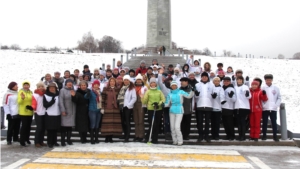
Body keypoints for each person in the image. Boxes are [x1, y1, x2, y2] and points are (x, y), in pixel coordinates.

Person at [165, 81, 194, 146]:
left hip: (179, 110)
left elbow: (189, 96)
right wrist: (160, 104)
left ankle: (180, 141)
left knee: (177, 127)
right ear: (171, 86)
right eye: (172, 85)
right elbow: (167, 103)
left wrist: (192, 91)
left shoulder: (180, 92)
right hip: (172, 110)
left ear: (177, 86)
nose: (174, 86)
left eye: (175, 85)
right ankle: (174, 140)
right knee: (172, 127)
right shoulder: (170, 94)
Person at [142, 77, 165, 144]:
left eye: (154, 82)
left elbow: (163, 99)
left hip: (158, 109)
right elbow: (145, 101)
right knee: (152, 124)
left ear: (156, 84)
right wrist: (142, 98)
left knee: (157, 124)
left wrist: (158, 103)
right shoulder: (148, 91)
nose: (153, 84)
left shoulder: (159, 91)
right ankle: (147, 137)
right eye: (151, 83)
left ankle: (155, 139)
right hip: (151, 109)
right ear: (150, 84)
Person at [101, 77, 122, 143]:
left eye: (113, 81)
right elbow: (103, 99)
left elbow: (119, 99)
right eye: (111, 81)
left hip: (115, 109)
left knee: (113, 124)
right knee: (107, 124)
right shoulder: (105, 89)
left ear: (115, 82)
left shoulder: (117, 90)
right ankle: (106, 137)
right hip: (107, 108)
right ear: (109, 82)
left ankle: (111, 138)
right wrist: (102, 108)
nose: (112, 83)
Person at [195, 72, 214, 143]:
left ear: (208, 77)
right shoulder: (197, 85)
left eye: (206, 76)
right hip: (200, 105)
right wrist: (196, 95)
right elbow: (196, 96)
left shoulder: (211, 85)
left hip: (208, 105)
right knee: (199, 122)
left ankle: (206, 136)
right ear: (201, 77)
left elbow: (213, 93)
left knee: (207, 122)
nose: (204, 78)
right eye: (203, 76)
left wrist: (214, 96)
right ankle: (200, 135)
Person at [262, 74, 281, 142]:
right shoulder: (263, 88)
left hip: (273, 108)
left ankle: (275, 136)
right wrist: (263, 105)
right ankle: (264, 135)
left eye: (270, 80)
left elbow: (279, 97)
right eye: (267, 80)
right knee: (265, 122)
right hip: (265, 108)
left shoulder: (276, 88)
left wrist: (276, 105)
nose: (268, 81)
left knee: (274, 122)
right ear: (265, 81)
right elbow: (261, 98)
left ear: (272, 80)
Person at [117, 75, 137, 142]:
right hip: (122, 106)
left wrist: (129, 105)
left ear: (129, 81)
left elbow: (134, 98)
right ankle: (125, 134)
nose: (126, 81)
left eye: (127, 80)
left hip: (128, 107)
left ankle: (127, 136)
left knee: (127, 122)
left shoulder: (132, 88)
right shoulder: (122, 88)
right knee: (123, 122)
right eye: (125, 80)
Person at [59, 79, 76, 146]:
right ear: (66, 83)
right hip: (65, 110)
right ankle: (62, 140)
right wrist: (63, 110)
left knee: (70, 127)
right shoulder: (62, 90)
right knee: (64, 127)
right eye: (68, 83)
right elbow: (61, 101)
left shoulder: (74, 90)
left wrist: (74, 96)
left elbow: (75, 100)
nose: (70, 84)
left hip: (72, 111)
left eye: (71, 83)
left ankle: (69, 140)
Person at [84, 80, 102, 144]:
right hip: (92, 110)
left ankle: (96, 138)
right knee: (93, 124)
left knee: (97, 125)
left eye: (97, 84)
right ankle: (92, 139)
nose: (96, 85)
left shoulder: (100, 92)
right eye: (95, 84)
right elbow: (86, 97)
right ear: (93, 85)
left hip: (99, 110)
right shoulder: (91, 92)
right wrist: (88, 93)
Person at [43, 82, 61, 148]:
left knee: (55, 129)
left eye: (53, 88)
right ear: (48, 89)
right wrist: (51, 102)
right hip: (49, 114)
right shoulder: (45, 95)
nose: (52, 89)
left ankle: (54, 141)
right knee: (50, 130)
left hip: (57, 113)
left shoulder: (58, 95)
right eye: (51, 88)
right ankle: (49, 142)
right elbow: (45, 105)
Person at [234, 76, 251, 141]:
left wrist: (247, 94)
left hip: (244, 107)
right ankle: (239, 135)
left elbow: (249, 96)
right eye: (238, 80)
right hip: (237, 107)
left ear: (242, 81)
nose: (239, 81)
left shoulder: (245, 87)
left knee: (243, 122)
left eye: (240, 80)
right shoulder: (235, 87)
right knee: (238, 122)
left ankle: (243, 136)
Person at [18, 81, 34, 147]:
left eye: (27, 85)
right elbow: (19, 102)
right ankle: (22, 140)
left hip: (30, 111)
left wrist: (32, 107)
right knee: (24, 126)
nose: (26, 86)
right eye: (25, 85)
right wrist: (22, 98)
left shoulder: (31, 92)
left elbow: (33, 100)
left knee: (28, 126)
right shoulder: (21, 92)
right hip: (23, 112)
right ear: (23, 86)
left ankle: (27, 139)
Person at [133, 74, 148, 142]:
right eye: (137, 80)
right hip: (134, 104)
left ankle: (141, 135)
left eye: (140, 80)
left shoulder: (144, 88)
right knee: (136, 121)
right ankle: (136, 135)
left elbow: (147, 96)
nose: (138, 81)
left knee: (141, 121)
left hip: (141, 104)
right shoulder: (133, 87)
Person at [32, 82, 46, 148]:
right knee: (39, 127)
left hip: (44, 112)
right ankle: (36, 141)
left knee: (43, 128)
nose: (41, 88)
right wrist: (33, 108)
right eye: (40, 87)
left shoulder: (44, 94)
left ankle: (41, 141)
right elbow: (33, 103)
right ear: (37, 88)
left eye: (42, 86)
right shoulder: (35, 95)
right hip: (38, 112)